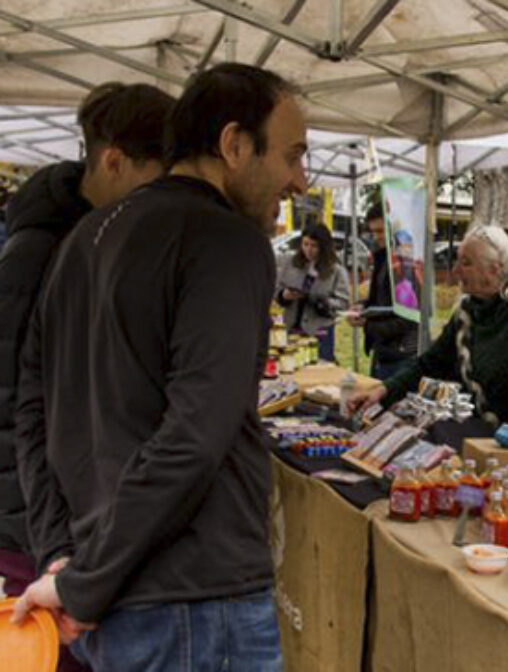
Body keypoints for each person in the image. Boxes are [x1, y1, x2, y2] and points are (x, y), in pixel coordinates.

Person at [12, 63, 307, 671]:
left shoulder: (81, 241)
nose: (299, 180)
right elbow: (196, 434)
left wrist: (65, 562)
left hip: (119, 596)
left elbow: (33, 413)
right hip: (196, 605)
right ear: (232, 144)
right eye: (292, 155)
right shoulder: (226, 240)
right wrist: (79, 578)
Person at [0, 82, 175, 671]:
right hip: (36, 537)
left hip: (82, 537)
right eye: (160, 178)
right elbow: (14, 411)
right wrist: (51, 548)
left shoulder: (105, 243)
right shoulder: (41, 254)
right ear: (113, 162)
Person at [348, 224, 508, 438]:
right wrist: (383, 390)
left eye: (466, 263)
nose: (456, 270)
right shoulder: (469, 310)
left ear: (494, 269)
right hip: (495, 434)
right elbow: (430, 364)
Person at [347, 203, 418, 381]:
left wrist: (367, 325)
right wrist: (362, 307)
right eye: (373, 232)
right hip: (383, 351)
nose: (376, 237)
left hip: (402, 355)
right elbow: (381, 300)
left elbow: (408, 318)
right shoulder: (383, 257)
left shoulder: (405, 264)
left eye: (380, 231)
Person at [277, 222, 350, 362]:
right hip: (291, 328)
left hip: (319, 332)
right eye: (305, 244)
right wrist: (284, 295)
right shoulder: (290, 263)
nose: (309, 250)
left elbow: (343, 303)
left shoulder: (336, 271)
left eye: (314, 246)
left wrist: (322, 302)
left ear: (324, 247)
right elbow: (277, 290)